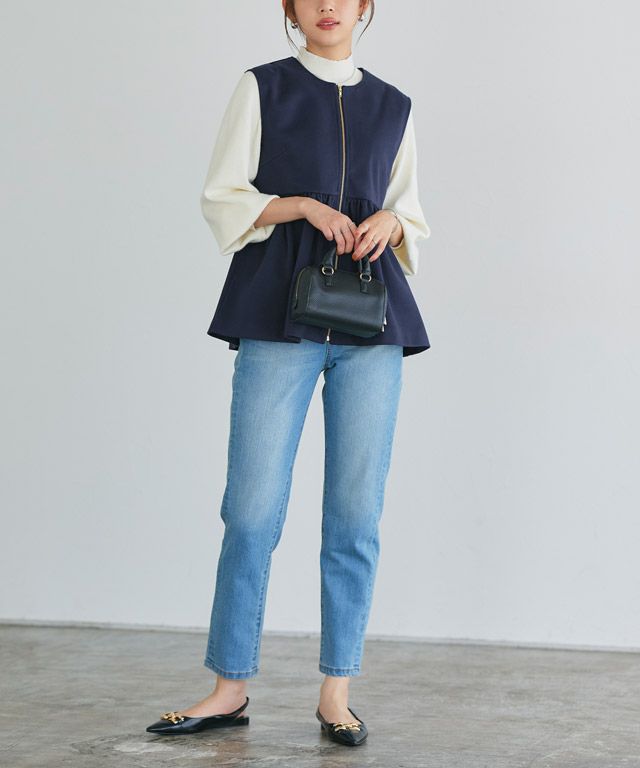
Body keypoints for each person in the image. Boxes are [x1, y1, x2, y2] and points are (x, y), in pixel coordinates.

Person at [146, 0, 431, 747]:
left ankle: (337, 692)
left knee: (355, 515)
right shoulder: (262, 86)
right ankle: (229, 686)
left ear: (365, 6)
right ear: (290, 8)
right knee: (250, 511)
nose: (326, 5)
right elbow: (223, 193)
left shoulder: (394, 105)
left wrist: (392, 221)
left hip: (371, 323)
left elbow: (409, 208)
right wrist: (300, 205)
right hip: (278, 312)